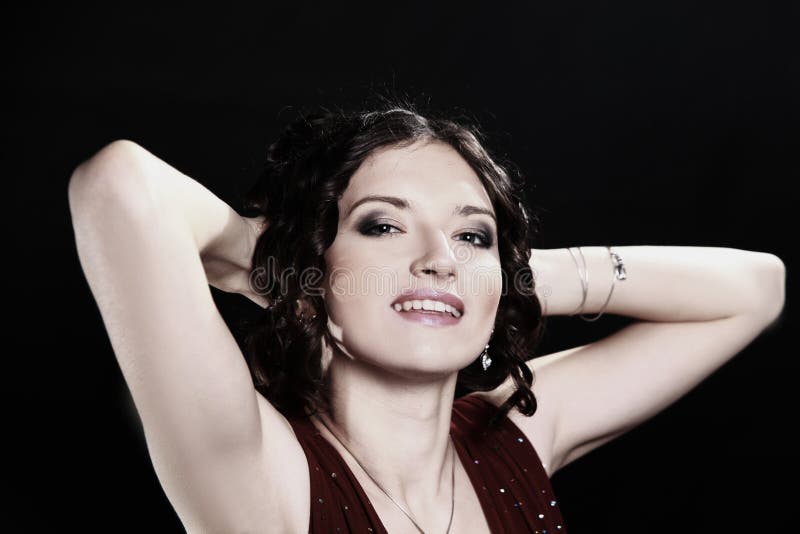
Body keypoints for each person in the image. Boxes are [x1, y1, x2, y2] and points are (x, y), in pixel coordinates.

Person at [67, 102, 785, 533]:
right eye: (382, 227)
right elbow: (122, 185)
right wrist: (282, 262)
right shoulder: (260, 476)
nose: (440, 258)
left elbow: (757, 286)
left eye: (472, 233)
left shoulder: (510, 442)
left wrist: (510, 280)